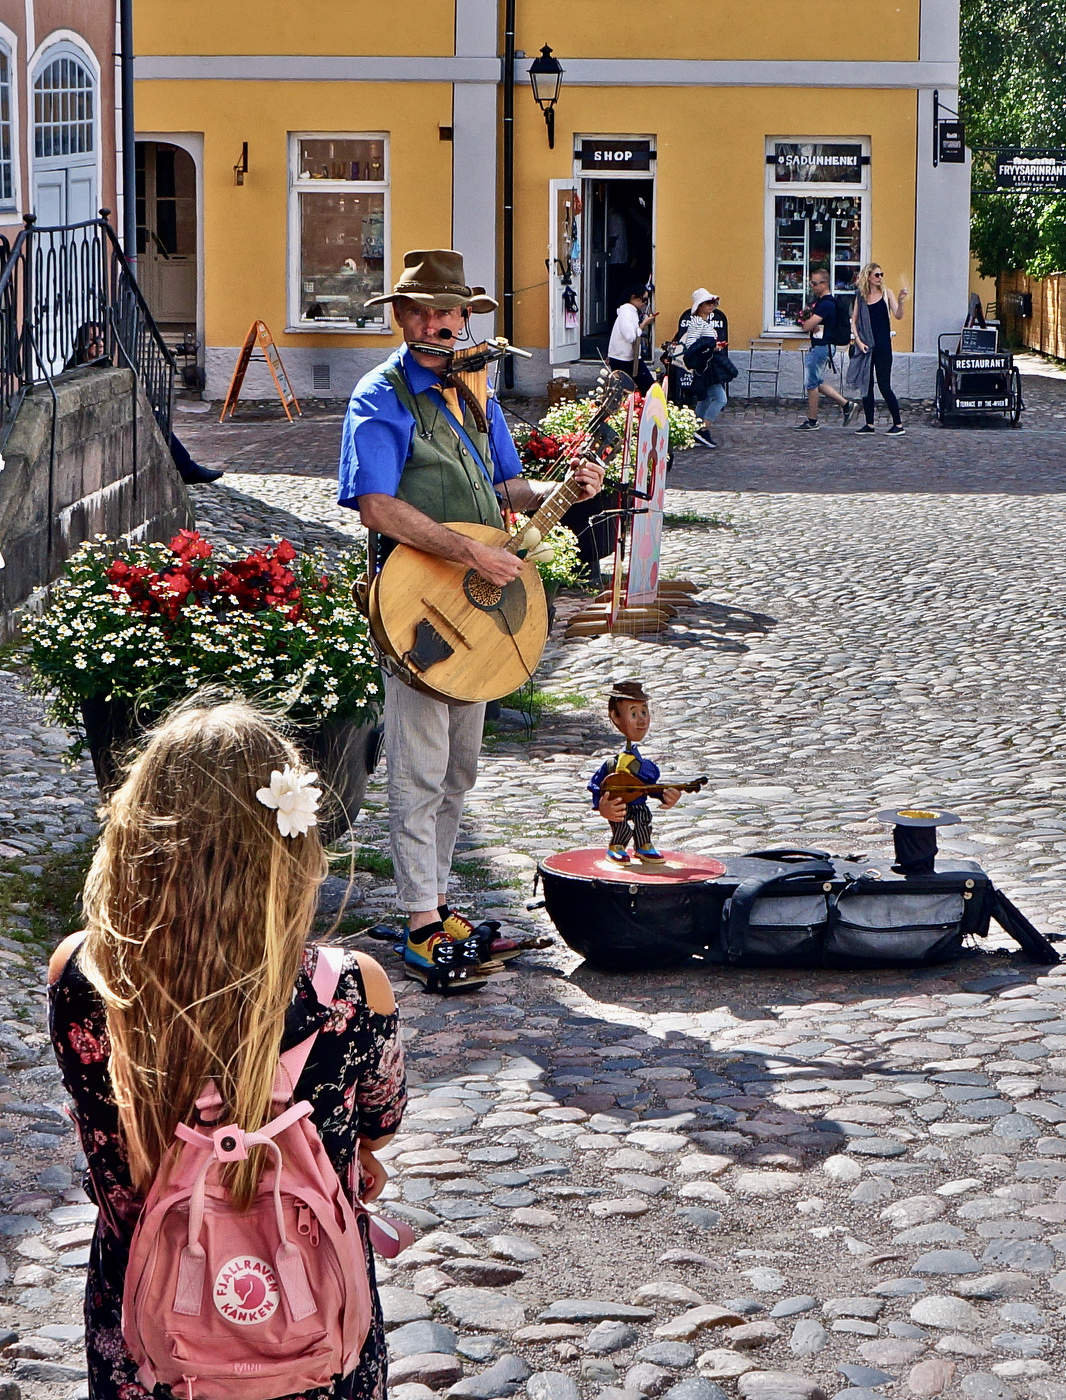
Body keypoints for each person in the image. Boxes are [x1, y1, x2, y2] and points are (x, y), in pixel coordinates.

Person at [47, 699, 407, 1400]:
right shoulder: (353, 987)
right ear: (292, 846)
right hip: (312, 1330)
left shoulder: (86, 977)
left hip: (150, 1329)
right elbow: (380, 1124)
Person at [339, 248, 604, 981]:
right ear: (401, 318)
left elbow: (507, 488)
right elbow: (376, 506)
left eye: (450, 311)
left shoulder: (475, 390)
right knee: (420, 766)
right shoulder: (381, 394)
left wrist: (564, 490)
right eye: (424, 311)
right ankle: (419, 921)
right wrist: (468, 552)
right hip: (416, 601)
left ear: (464, 317)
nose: (440, 323)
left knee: (459, 769)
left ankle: (436, 901)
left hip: (476, 603)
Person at [66, 320, 223, 484]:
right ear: (82, 343)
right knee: (153, 419)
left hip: (113, 415)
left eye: (101, 339)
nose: (100, 343)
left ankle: (185, 468)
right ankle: (188, 470)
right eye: (93, 339)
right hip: (94, 422)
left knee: (156, 418)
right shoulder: (75, 369)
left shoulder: (103, 364)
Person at [588, 680, 681, 865]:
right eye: (633, 714)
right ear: (615, 717)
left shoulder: (642, 765)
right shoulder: (612, 764)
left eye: (644, 712)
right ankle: (617, 846)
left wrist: (664, 795)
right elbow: (596, 785)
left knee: (643, 818)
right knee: (621, 825)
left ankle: (643, 845)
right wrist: (602, 806)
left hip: (638, 804)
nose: (642, 720)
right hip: (618, 804)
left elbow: (647, 786)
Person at [849, 261, 907, 436]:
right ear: (868, 276)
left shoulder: (887, 293)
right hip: (866, 346)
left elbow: (898, 315)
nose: (880, 277)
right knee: (866, 385)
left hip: (883, 345)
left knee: (884, 385)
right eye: (877, 275)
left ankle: (898, 424)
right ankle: (869, 424)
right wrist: (859, 342)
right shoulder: (861, 296)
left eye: (882, 274)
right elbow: (854, 321)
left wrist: (900, 301)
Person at [795, 268, 855, 431]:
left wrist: (806, 322)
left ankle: (812, 420)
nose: (812, 287)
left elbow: (807, 325)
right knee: (817, 382)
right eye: (811, 283)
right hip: (823, 346)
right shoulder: (824, 302)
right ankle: (846, 405)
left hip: (822, 347)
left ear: (824, 284)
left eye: (814, 284)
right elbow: (818, 326)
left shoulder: (826, 304)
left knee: (811, 384)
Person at [679, 289, 730, 449]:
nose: (712, 305)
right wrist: (711, 346)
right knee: (720, 399)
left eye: (712, 303)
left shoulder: (702, 322)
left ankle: (693, 430)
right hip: (706, 367)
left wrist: (713, 346)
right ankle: (702, 429)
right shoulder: (697, 323)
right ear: (700, 306)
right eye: (708, 303)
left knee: (706, 398)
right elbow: (691, 345)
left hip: (708, 365)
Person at [607, 284, 657, 393]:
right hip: (624, 359)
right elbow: (630, 337)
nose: (645, 303)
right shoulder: (627, 312)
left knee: (634, 391)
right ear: (633, 297)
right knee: (649, 389)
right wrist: (643, 325)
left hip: (628, 357)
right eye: (644, 299)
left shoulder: (630, 311)